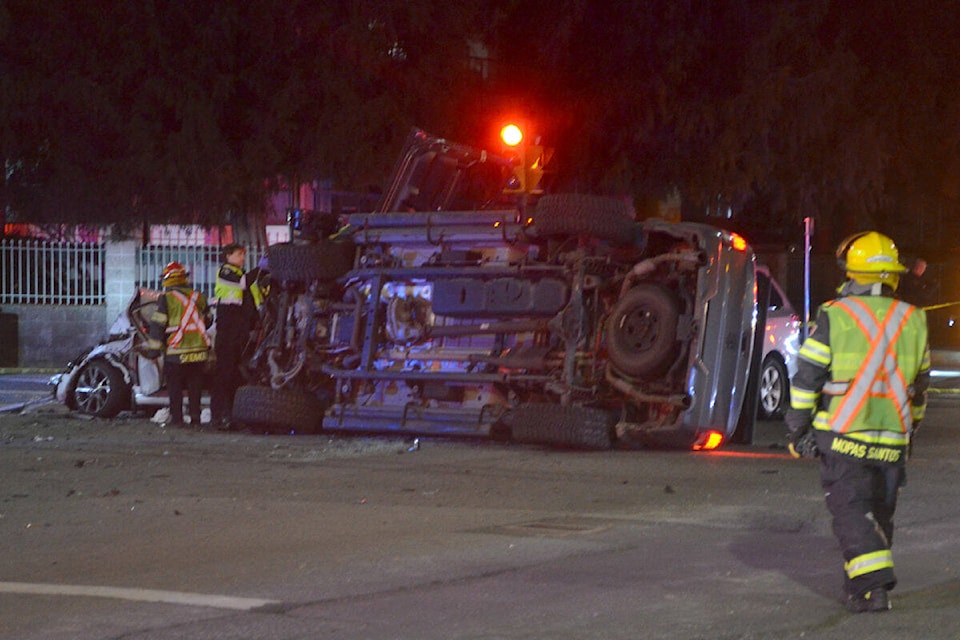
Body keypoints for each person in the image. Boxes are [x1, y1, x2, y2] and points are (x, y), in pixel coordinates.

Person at [786, 231, 930, 614]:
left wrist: (798, 428)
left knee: (852, 513)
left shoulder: (835, 314)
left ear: (852, 273)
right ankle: (862, 592)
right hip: (893, 440)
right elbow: (919, 386)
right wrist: (909, 429)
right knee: (877, 517)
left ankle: (874, 580)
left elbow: (808, 378)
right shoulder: (915, 320)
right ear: (893, 276)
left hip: (845, 436)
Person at [146, 262, 213, 428]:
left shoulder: (166, 299)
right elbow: (209, 320)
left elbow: (157, 326)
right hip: (199, 351)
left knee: (175, 387)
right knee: (195, 386)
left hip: (176, 352)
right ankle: (196, 418)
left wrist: (153, 352)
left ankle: (177, 419)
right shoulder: (199, 297)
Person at [210, 243, 257, 429]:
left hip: (238, 334)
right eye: (239, 254)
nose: (242, 258)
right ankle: (218, 417)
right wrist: (260, 269)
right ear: (228, 256)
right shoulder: (226, 272)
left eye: (243, 255)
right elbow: (244, 284)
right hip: (227, 333)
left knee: (236, 377)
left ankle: (232, 417)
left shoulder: (239, 273)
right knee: (224, 376)